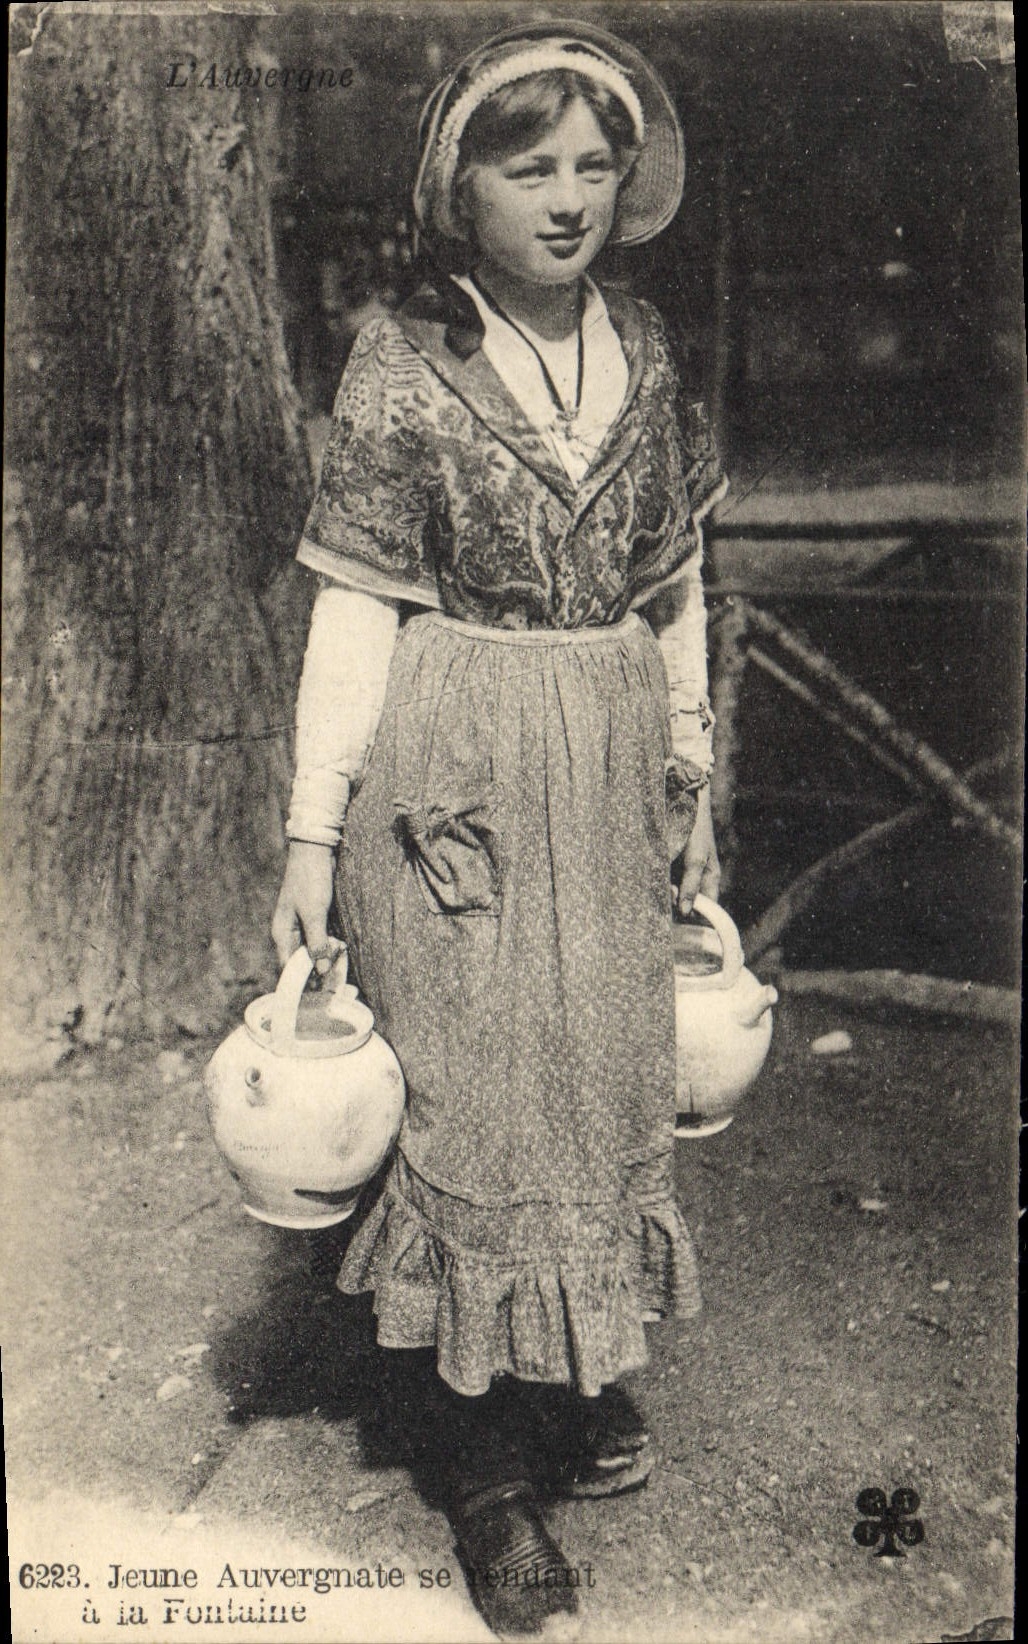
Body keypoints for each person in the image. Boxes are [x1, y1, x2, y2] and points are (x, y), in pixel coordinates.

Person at [273, 21, 727, 1637]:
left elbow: (677, 586)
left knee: (593, 1079)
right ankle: (484, 1472)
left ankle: (569, 1374)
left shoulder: (648, 350)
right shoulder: (404, 362)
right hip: (454, 764)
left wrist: (688, 775)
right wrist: (310, 840)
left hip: (605, 762)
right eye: (527, 167)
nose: (567, 198)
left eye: (594, 166)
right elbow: (352, 613)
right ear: (458, 190)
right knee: (476, 1092)